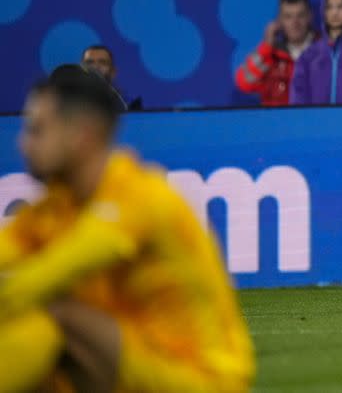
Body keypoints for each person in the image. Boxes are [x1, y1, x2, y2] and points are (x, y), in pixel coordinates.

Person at [0, 65, 254, 391]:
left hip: (204, 380)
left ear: (81, 136)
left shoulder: (139, 195)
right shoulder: (56, 206)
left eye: (36, 130)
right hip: (138, 368)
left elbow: (45, 277)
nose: (22, 144)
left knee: (55, 310)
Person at [235, 0, 318, 106]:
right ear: (279, 20)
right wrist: (266, 47)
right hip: (278, 122)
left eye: (300, 15)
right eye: (288, 17)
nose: (295, 22)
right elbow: (244, 82)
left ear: (310, 16)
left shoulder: (325, 51)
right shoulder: (270, 54)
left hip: (316, 121)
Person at [81, 45, 142, 110]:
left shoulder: (128, 106)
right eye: (89, 62)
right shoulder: (70, 100)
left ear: (113, 71)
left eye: (103, 62)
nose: (96, 67)